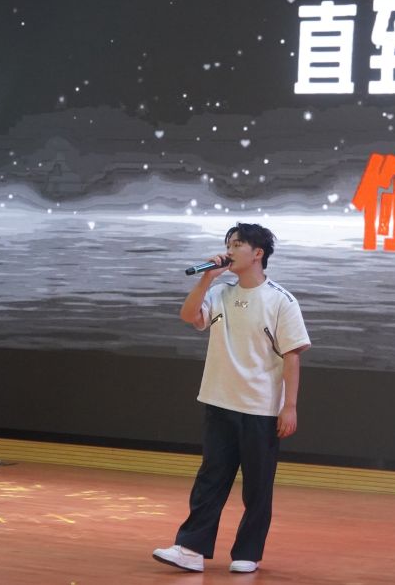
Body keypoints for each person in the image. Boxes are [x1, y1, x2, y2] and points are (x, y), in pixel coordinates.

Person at [153, 223, 310, 574]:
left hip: (260, 407)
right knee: (211, 478)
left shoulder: (281, 300)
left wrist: (289, 406)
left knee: (257, 486)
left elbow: (292, 356)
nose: (229, 250)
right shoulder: (219, 292)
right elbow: (188, 316)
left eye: (237, 244)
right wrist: (206, 279)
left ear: (258, 253)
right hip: (219, 400)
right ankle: (190, 548)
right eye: (228, 244)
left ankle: (248, 553)